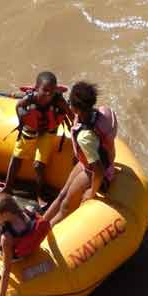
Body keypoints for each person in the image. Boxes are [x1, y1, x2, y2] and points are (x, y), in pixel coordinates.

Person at [43, 81, 118, 226]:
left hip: (93, 172)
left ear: (76, 108)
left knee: (65, 205)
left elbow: (99, 170)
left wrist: (92, 192)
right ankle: (42, 221)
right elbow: (77, 118)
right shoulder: (102, 113)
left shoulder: (85, 138)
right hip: (89, 163)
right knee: (63, 193)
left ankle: (44, 232)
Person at [1, 71, 74, 208]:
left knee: (39, 165)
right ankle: (8, 187)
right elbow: (18, 106)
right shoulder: (30, 98)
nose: (48, 94)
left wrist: (75, 131)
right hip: (30, 129)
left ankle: (40, 193)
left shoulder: (58, 100)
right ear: (36, 88)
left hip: (48, 132)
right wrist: (23, 118)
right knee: (16, 157)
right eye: (45, 90)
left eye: (51, 91)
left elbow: (70, 114)